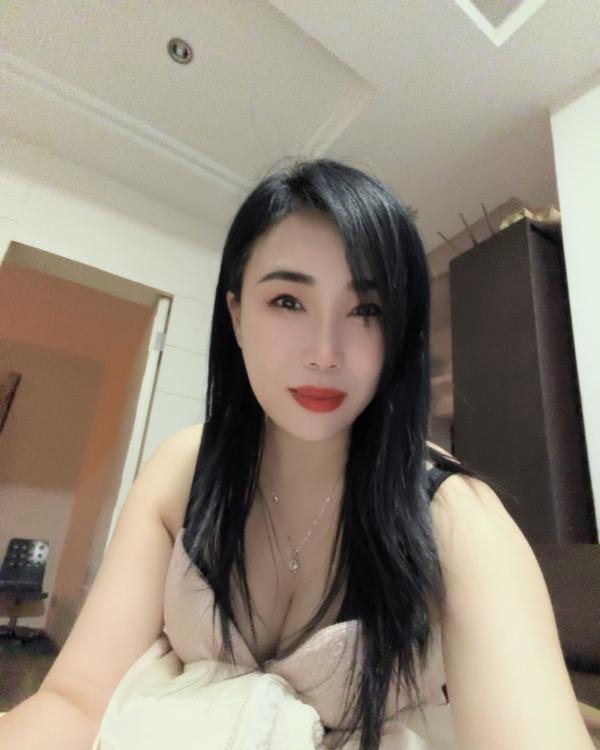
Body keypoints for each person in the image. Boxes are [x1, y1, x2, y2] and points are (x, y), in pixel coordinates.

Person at [0, 159, 596, 750]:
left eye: (366, 310)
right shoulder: (183, 472)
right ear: (237, 315)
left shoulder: (457, 519)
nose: (324, 352)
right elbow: (76, 699)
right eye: (288, 301)